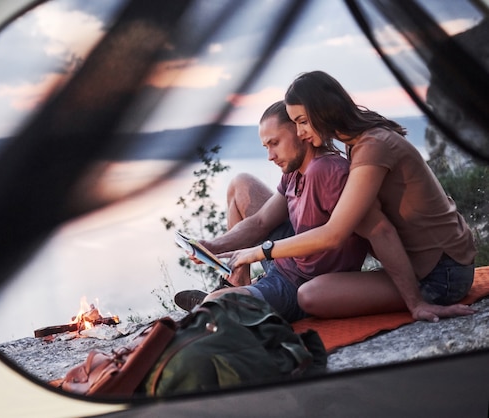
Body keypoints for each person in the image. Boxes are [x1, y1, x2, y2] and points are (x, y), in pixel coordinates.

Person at [221, 71, 477, 322]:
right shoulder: (357, 142)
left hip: (441, 273)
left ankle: (265, 293)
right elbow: (262, 222)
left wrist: (416, 304)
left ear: (322, 109)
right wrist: (216, 247)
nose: (299, 133)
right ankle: (255, 285)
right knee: (309, 289)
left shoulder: (372, 147)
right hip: (424, 263)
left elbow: (348, 233)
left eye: (302, 121)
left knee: (311, 295)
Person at [174, 100, 370, 322]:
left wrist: (259, 252)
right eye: (266, 147)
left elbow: (334, 237)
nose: (270, 156)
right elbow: (261, 222)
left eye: (275, 143)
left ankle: (231, 294)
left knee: (216, 304)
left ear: (300, 131)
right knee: (241, 184)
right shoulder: (296, 170)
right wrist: (212, 246)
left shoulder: (325, 171)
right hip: (288, 255)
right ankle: (238, 283)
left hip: (299, 281)